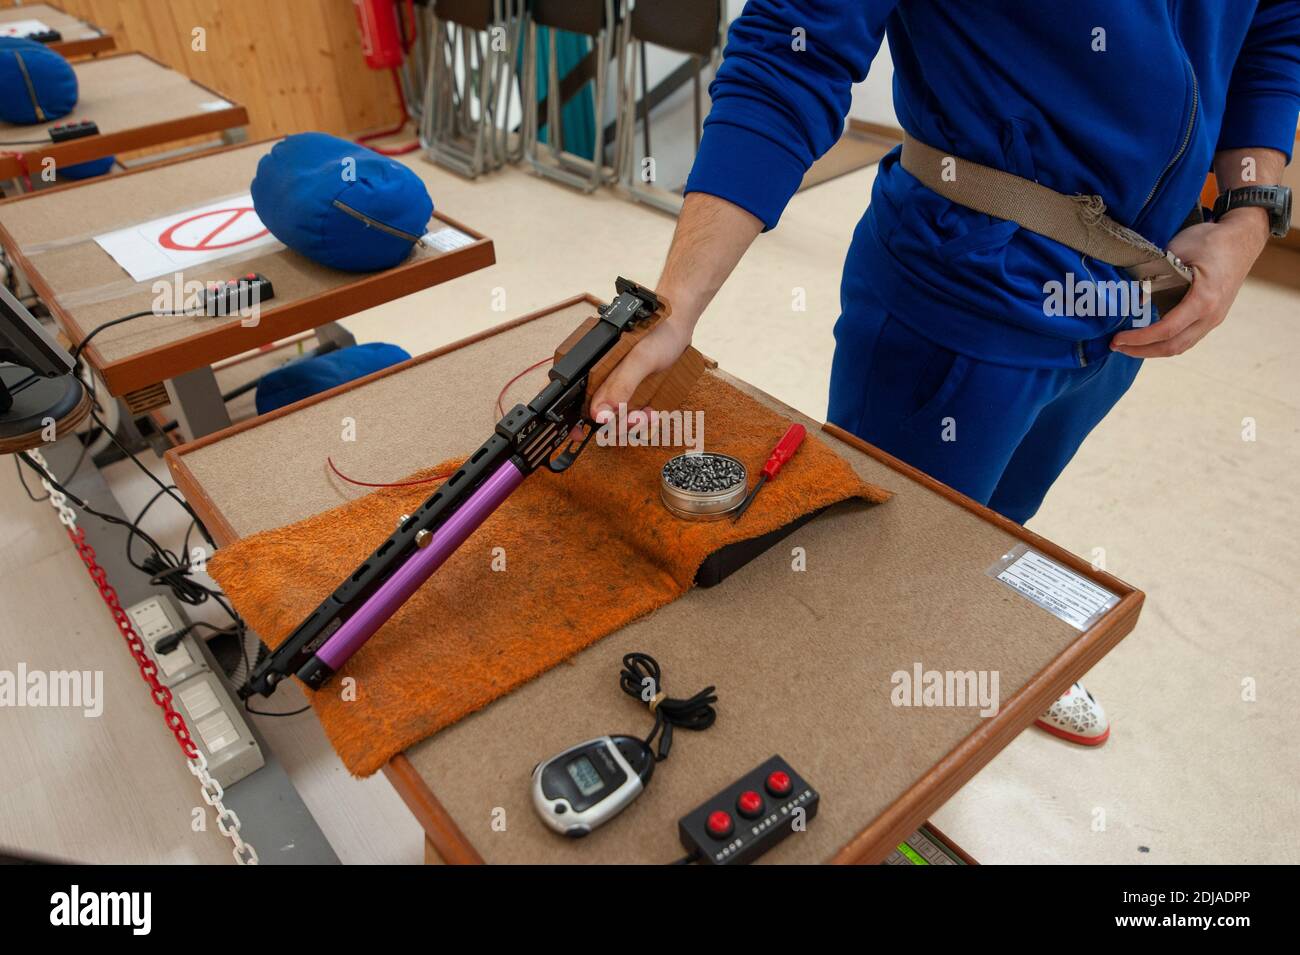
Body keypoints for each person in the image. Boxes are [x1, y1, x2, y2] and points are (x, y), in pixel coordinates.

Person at [589, 1, 1299, 745]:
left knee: (997, 517)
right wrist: (677, 302)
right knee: (871, 579)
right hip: (964, 301)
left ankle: (961, 638)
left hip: (1138, 303)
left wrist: (1248, 215)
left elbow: (1274, 24)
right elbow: (792, 49)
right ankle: (860, 743)